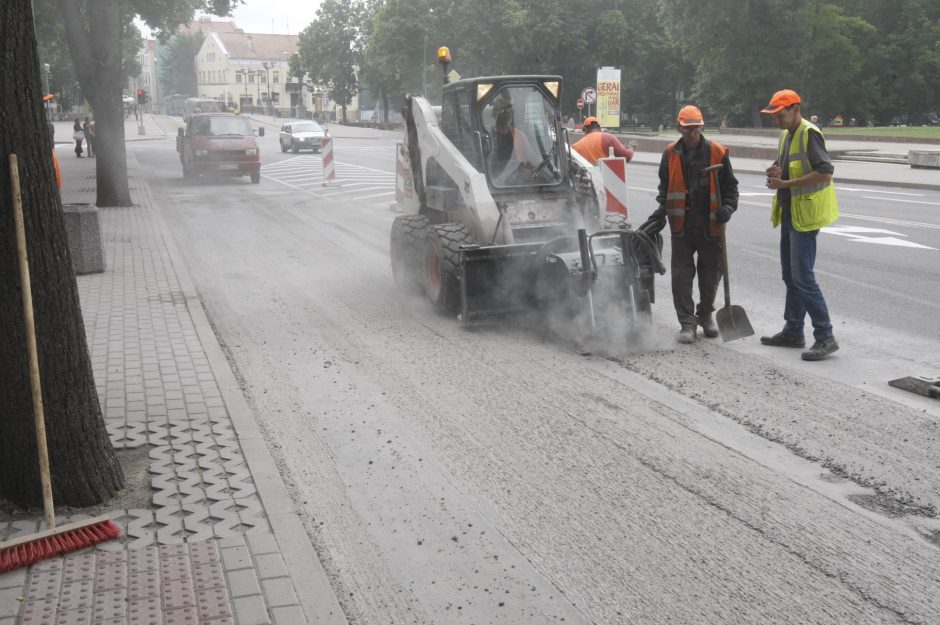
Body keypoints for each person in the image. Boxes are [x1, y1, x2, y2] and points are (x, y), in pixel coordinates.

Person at [646, 105, 739, 344]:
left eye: (696, 130)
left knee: (710, 275)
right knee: (682, 277)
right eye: (687, 130)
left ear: (701, 127)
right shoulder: (670, 154)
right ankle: (687, 323)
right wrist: (662, 208)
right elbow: (664, 187)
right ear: (679, 128)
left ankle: (706, 315)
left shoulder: (717, 153)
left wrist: (728, 208)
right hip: (682, 226)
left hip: (711, 226)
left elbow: (730, 188)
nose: (692, 135)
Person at [761, 89, 840, 360]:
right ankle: (794, 330)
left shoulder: (810, 133)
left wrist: (786, 183)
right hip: (790, 212)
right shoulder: (785, 135)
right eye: (773, 116)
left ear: (795, 109)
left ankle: (825, 336)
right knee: (790, 275)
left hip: (805, 215)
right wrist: (775, 170)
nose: (777, 120)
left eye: (780, 115)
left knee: (803, 277)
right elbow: (787, 165)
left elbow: (825, 173)